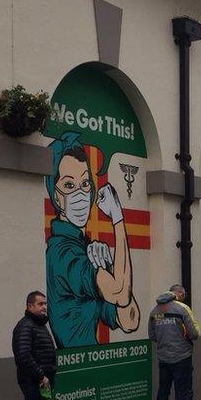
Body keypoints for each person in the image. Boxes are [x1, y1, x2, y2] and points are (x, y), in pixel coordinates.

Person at [45, 132, 139, 348]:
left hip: (91, 366)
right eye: (69, 186)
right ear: (56, 195)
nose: (80, 193)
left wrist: (107, 266)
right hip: (74, 369)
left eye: (85, 183)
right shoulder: (62, 253)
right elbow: (119, 293)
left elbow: (130, 319)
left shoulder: (83, 248)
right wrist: (117, 219)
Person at [149, 290, 201, 400]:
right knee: (181, 393)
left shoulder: (154, 312)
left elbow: (152, 336)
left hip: (164, 359)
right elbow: (194, 333)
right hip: (181, 357)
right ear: (176, 296)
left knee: (163, 392)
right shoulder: (181, 309)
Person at [170, 284, 200, 400]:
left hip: (164, 356)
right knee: (183, 387)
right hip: (182, 354)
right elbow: (194, 333)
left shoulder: (158, 309)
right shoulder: (183, 309)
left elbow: (153, 334)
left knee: (164, 390)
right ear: (180, 294)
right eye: (184, 295)